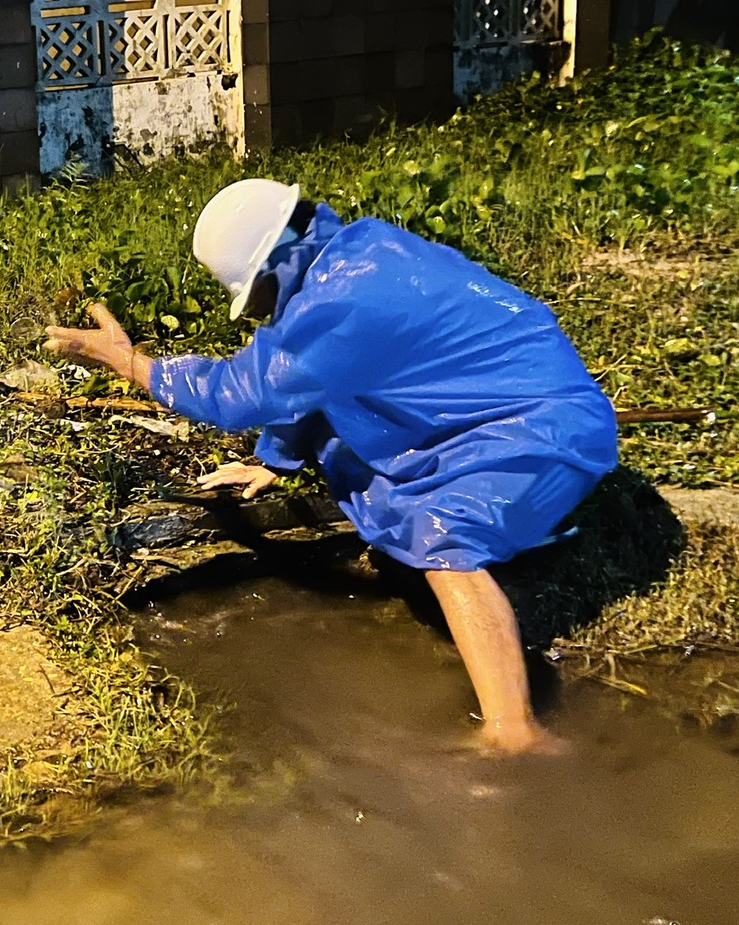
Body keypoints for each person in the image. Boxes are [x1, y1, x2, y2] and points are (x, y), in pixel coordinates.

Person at [44, 179, 618, 756]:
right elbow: (321, 381)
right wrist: (275, 461)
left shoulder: (342, 300)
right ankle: (514, 536)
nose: (260, 313)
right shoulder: (360, 253)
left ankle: (513, 730)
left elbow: (238, 395)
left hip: (541, 435)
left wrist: (127, 361)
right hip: (496, 414)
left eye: (256, 296)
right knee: (355, 465)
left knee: (446, 539)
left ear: (276, 263)